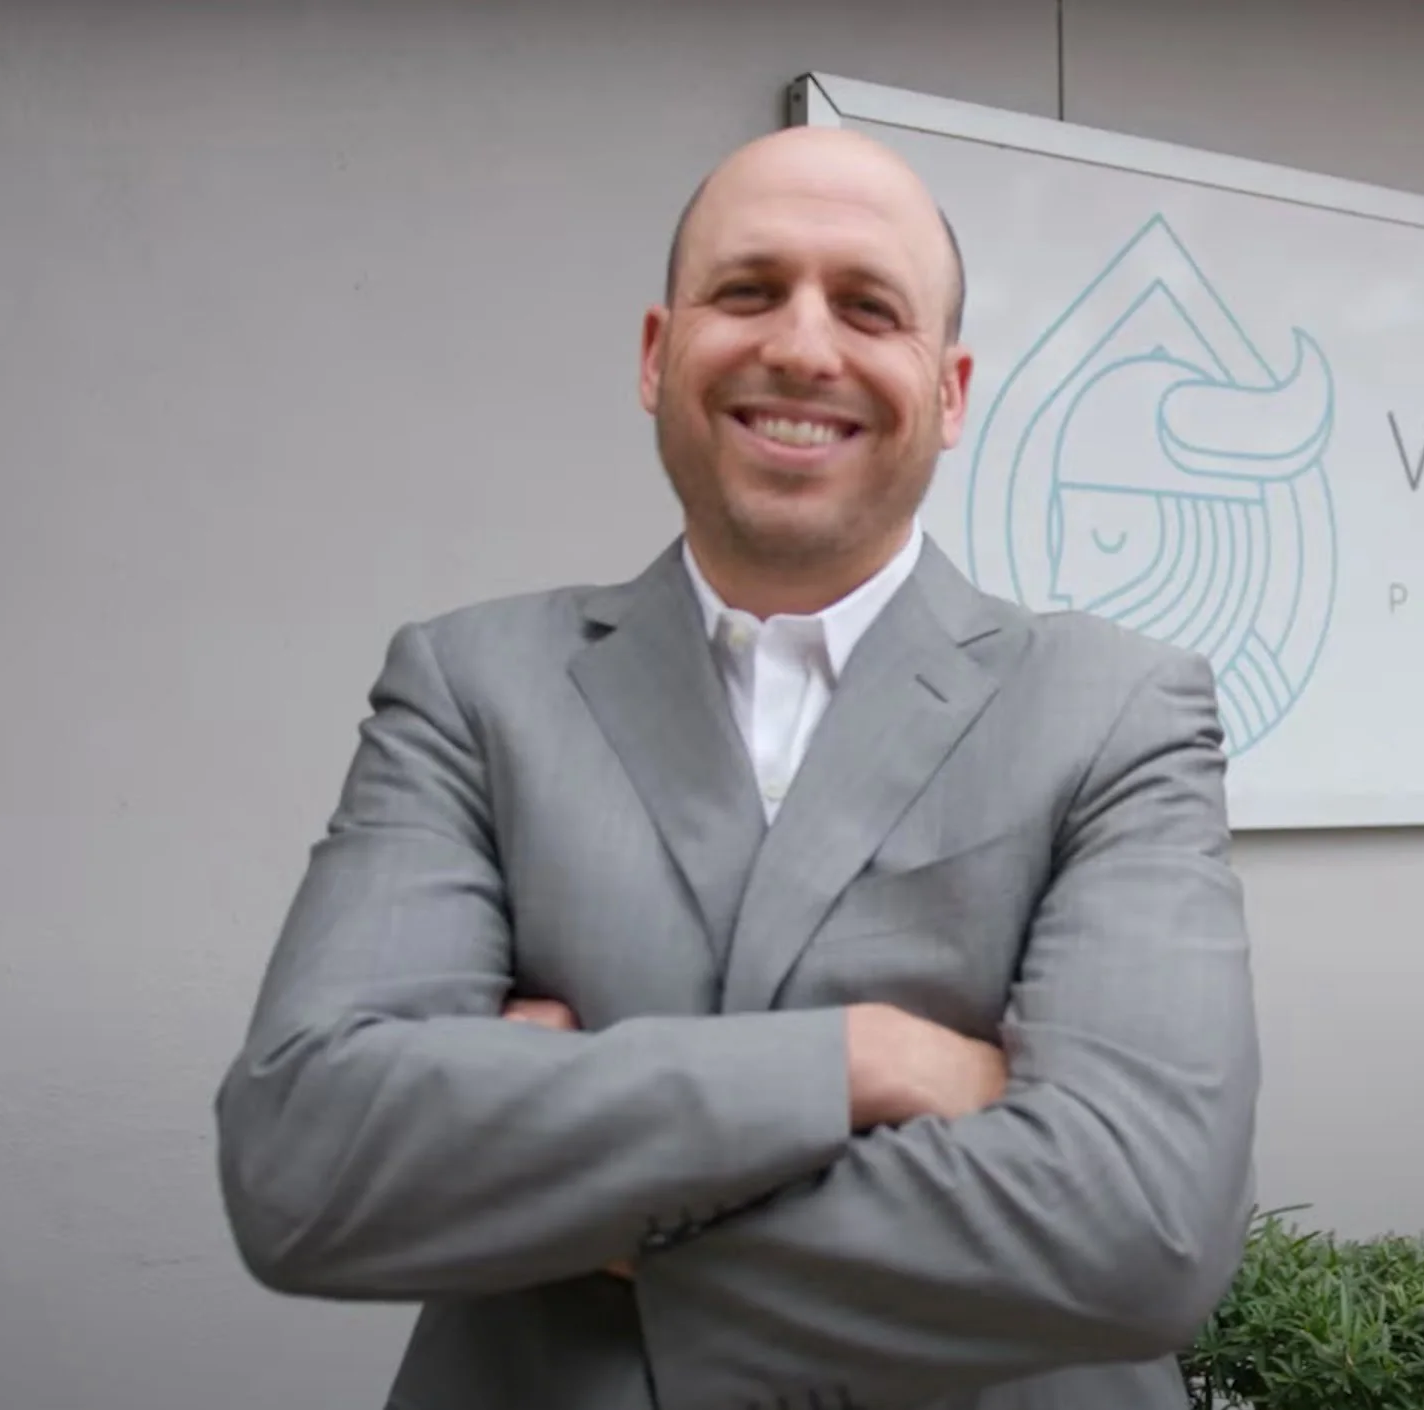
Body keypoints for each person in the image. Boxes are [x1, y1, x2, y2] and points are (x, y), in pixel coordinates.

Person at [214, 123, 1261, 1410]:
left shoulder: (1113, 709)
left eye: (868, 307)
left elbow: (1140, 1228)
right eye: (748, 290)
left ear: (948, 390)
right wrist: (863, 1060)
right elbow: (307, 1166)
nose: (802, 347)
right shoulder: (470, 687)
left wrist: (562, 1183)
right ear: (660, 355)